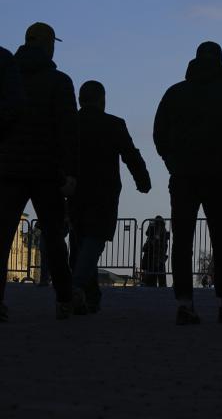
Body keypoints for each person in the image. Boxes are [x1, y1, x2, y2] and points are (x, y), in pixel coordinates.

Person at [154, 41, 222, 324]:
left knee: (182, 241)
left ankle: (184, 304)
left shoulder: (175, 93)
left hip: (183, 178)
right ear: (221, 61)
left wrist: (172, 161)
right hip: (217, 178)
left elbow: (159, 134)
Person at [0, 23, 78, 321]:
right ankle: (64, 299)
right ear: (49, 46)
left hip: (7, 168)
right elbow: (69, 131)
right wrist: (71, 172)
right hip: (46, 170)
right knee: (55, 238)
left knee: (1, 236)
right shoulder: (59, 82)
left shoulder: (7, 75)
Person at [68, 80, 151, 313]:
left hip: (75, 190)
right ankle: (75, 289)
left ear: (80, 100)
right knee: (93, 240)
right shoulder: (113, 124)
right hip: (104, 192)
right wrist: (142, 180)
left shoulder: (70, 123)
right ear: (102, 100)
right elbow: (130, 154)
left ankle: (90, 295)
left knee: (81, 241)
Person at [141, 216, 169, 287]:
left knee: (154, 276)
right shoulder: (161, 230)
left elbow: (148, 234)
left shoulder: (158, 231)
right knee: (159, 276)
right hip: (156, 256)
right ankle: (159, 286)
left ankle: (152, 285)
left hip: (155, 256)